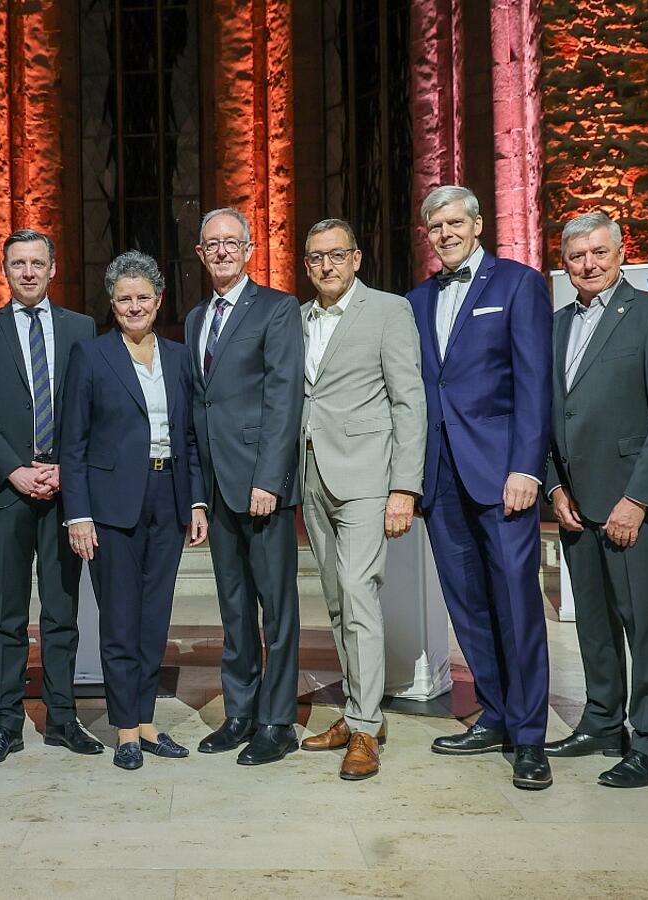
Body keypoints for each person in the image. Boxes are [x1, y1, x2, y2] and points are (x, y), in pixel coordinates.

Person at [404, 185, 554, 790]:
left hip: (501, 475)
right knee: (466, 603)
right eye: (434, 226)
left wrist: (527, 467)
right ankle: (493, 711)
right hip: (441, 476)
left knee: (518, 606)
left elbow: (535, 384)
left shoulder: (517, 284)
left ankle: (530, 736)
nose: (445, 233)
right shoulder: (415, 301)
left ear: (478, 224)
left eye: (454, 222)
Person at [542, 212, 648, 789]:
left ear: (621, 253)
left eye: (599, 253)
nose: (589, 264)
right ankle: (604, 721)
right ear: (564, 262)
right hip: (576, 507)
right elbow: (549, 417)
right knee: (595, 626)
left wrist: (637, 498)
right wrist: (554, 488)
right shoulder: (555, 327)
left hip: (637, 507)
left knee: (647, 626)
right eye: (577, 256)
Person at [0, 228, 102, 764]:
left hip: (66, 494)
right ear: (5, 269)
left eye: (37, 262)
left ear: (53, 268)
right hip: (6, 494)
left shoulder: (81, 327)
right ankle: (7, 725)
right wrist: (15, 470)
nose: (27, 271)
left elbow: (90, 404)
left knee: (63, 613)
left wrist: (66, 468)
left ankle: (63, 720)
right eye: (17, 263)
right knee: (8, 615)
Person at [60, 250, 209, 771]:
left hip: (167, 500)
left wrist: (196, 500)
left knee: (154, 619)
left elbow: (189, 436)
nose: (134, 305)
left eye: (143, 297)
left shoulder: (178, 357)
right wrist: (78, 514)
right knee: (120, 620)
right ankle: (125, 728)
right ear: (112, 303)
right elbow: (72, 443)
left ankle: (147, 722)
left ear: (159, 300)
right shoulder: (92, 355)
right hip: (110, 507)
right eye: (124, 298)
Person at [296, 219, 426, 781]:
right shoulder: (298, 318)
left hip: (369, 475)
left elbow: (408, 400)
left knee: (359, 593)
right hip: (312, 474)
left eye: (336, 255)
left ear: (357, 258)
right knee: (334, 600)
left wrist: (405, 486)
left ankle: (368, 727)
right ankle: (354, 712)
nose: (326, 265)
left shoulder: (389, 310)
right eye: (315, 257)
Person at [185, 207, 306, 765]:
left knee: (276, 611)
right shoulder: (194, 319)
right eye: (212, 244)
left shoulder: (277, 308)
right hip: (218, 486)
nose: (222, 251)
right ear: (201, 253)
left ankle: (277, 721)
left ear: (250, 249)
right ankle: (240, 712)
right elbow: (198, 406)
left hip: (261, 487)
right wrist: (199, 495)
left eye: (232, 242)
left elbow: (285, 398)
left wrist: (270, 480)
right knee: (234, 608)